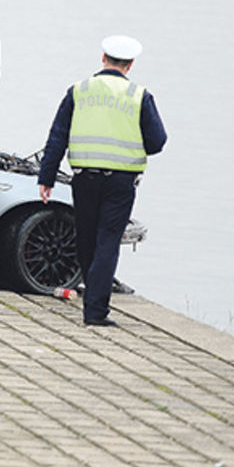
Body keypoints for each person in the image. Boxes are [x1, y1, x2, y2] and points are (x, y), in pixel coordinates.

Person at [37, 35, 167, 326]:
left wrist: (46, 177)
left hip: (84, 179)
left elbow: (57, 136)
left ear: (103, 58)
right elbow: (158, 141)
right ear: (130, 64)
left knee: (87, 240)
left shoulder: (78, 91)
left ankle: (92, 299)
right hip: (121, 182)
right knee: (108, 241)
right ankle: (95, 312)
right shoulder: (139, 96)